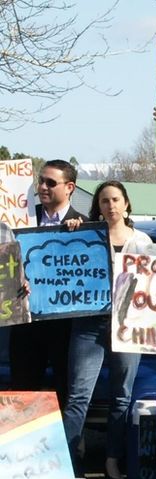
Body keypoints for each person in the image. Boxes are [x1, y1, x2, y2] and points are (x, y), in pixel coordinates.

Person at [59, 181, 152, 479]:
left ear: (126, 204)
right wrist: (70, 228)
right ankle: (71, 465)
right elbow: (59, 260)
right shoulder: (86, 234)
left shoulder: (142, 241)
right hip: (89, 323)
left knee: (122, 398)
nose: (110, 205)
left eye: (115, 199)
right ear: (97, 206)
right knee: (77, 396)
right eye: (104, 201)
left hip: (129, 324)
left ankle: (114, 461)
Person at [9, 159, 88, 407]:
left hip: (65, 328)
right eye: (40, 181)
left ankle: (71, 446)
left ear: (70, 188)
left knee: (67, 395)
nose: (42, 187)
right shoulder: (20, 220)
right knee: (23, 394)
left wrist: (83, 233)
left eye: (50, 182)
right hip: (25, 323)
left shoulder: (86, 225)